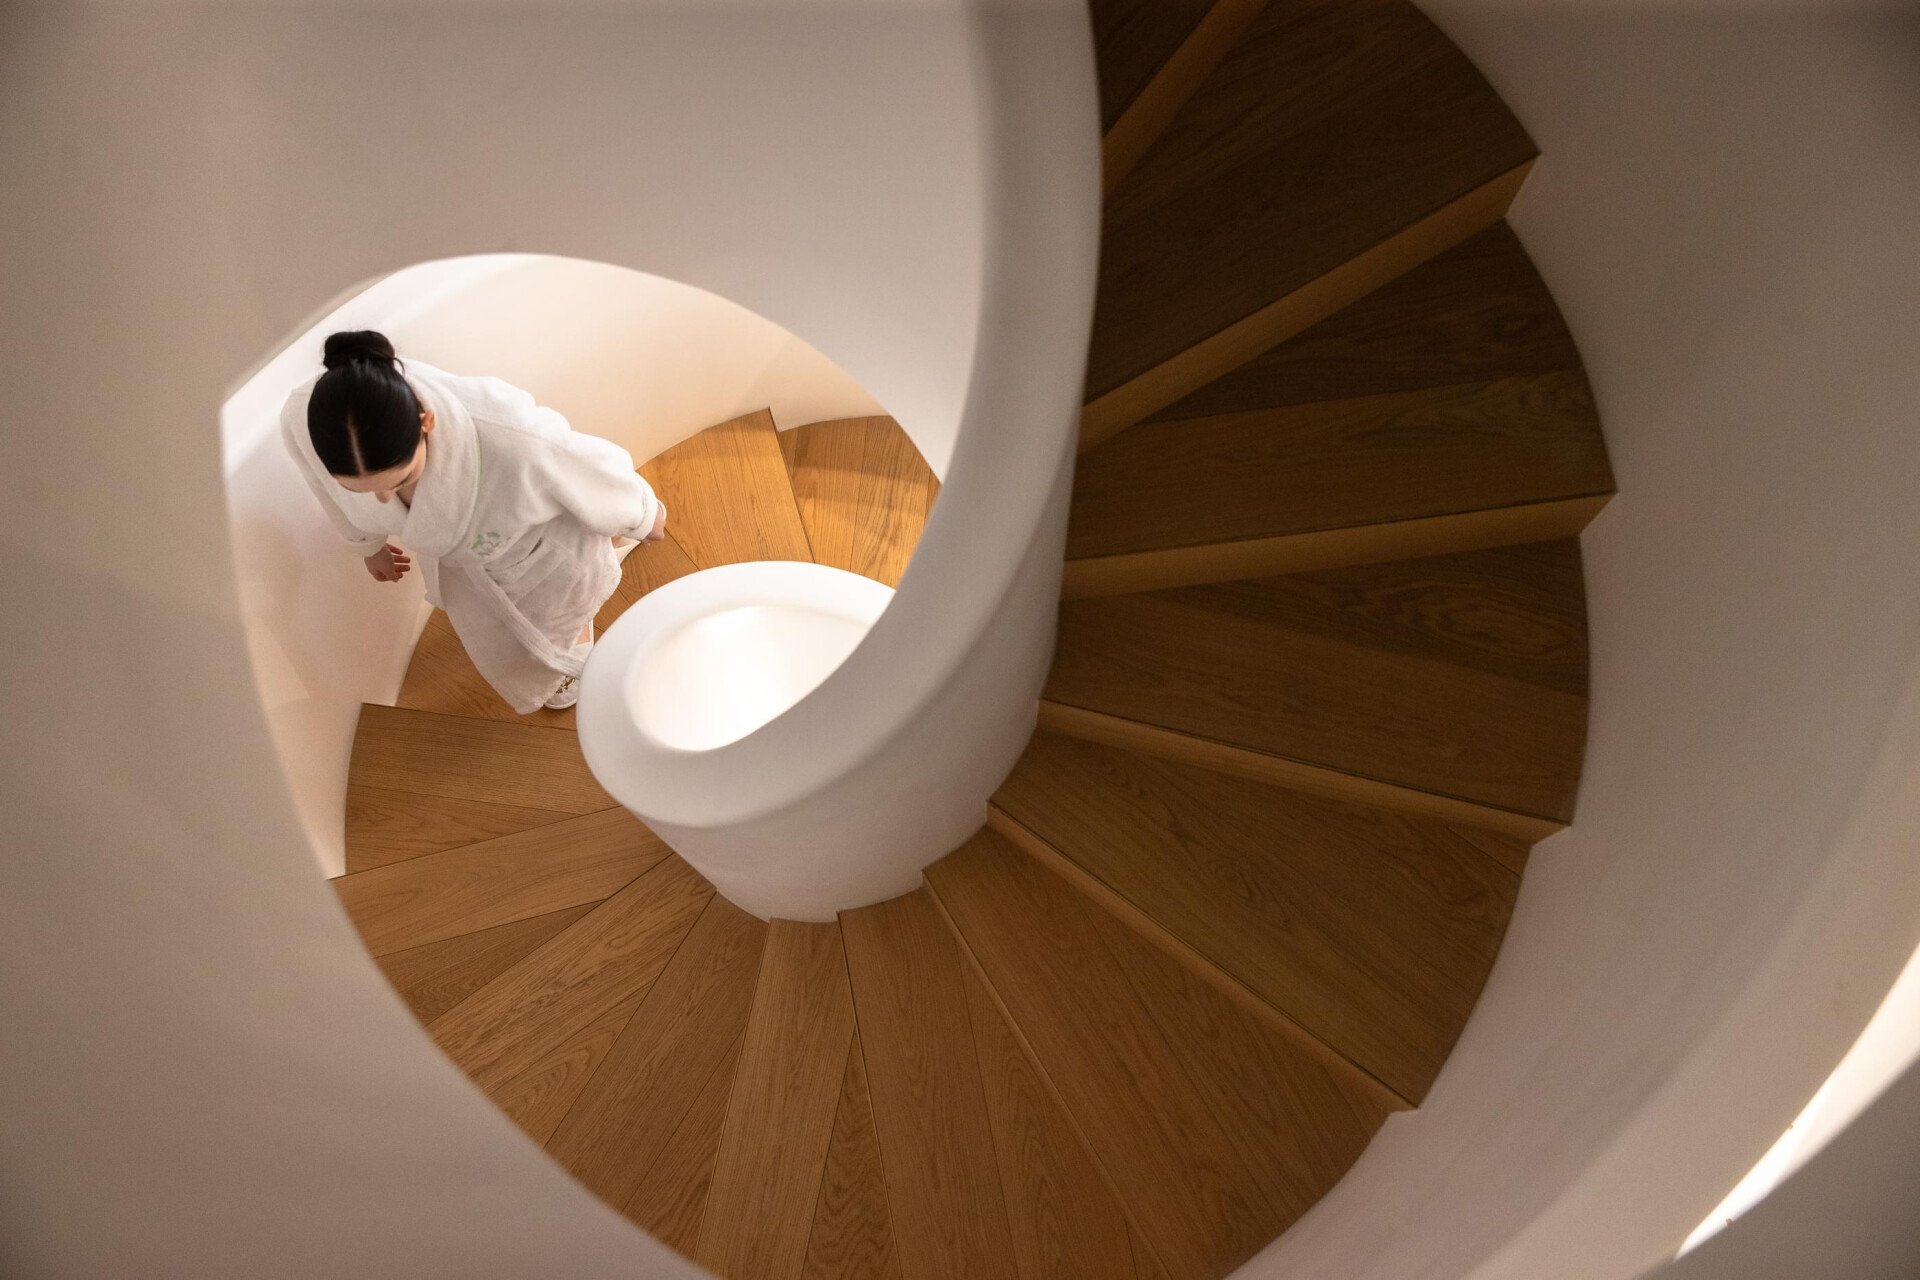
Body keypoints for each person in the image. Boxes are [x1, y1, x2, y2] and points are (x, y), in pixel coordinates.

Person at [282, 330, 667, 712]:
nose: (382, 500)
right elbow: (322, 490)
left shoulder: (509, 433)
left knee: (562, 608)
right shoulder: (307, 419)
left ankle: (577, 624)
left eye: (400, 480)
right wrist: (369, 546)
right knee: (499, 633)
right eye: (359, 489)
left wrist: (643, 513)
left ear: (426, 422)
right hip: (466, 561)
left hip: (538, 545)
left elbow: (581, 465)